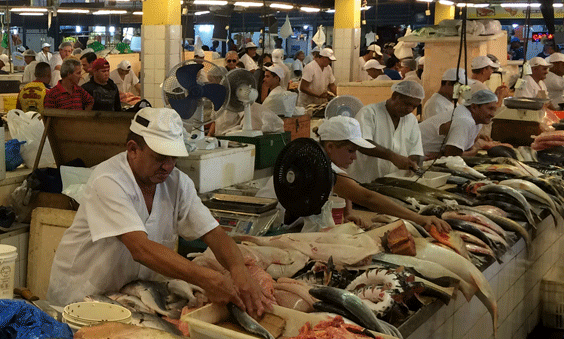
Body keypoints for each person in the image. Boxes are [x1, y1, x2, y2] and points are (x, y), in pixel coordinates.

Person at [47, 108, 270, 316]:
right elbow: (141, 249)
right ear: (133, 149)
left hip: (128, 296)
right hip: (80, 295)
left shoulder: (177, 183)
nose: (168, 166)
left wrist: (238, 269)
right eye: (160, 158)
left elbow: (213, 233)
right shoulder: (108, 181)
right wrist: (207, 278)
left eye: (174, 158)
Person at [307, 116, 448, 232]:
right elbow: (368, 198)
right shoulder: (323, 169)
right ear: (330, 147)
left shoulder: (325, 158)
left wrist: (348, 213)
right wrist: (419, 218)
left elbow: (344, 182)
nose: (354, 157)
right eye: (350, 151)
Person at [349, 79, 425, 183]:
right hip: (364, 182)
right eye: (407, 104)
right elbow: (362, 144)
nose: (410, 109)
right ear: (394, 96)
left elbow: (415, 150)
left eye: (414, 106)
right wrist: (392, 156)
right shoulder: (369, 113)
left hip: (393, 183)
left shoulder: (411, 120)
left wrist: (413, 162)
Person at [420, 87, 500, 158]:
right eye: (490, 109)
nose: (492, 114)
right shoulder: (465, 120)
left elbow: (466, 148)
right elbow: (452, 156)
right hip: (418, 156)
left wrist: (472, 150)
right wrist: (474, 151)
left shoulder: (476, 120)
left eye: (494, 110)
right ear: (474, 107)